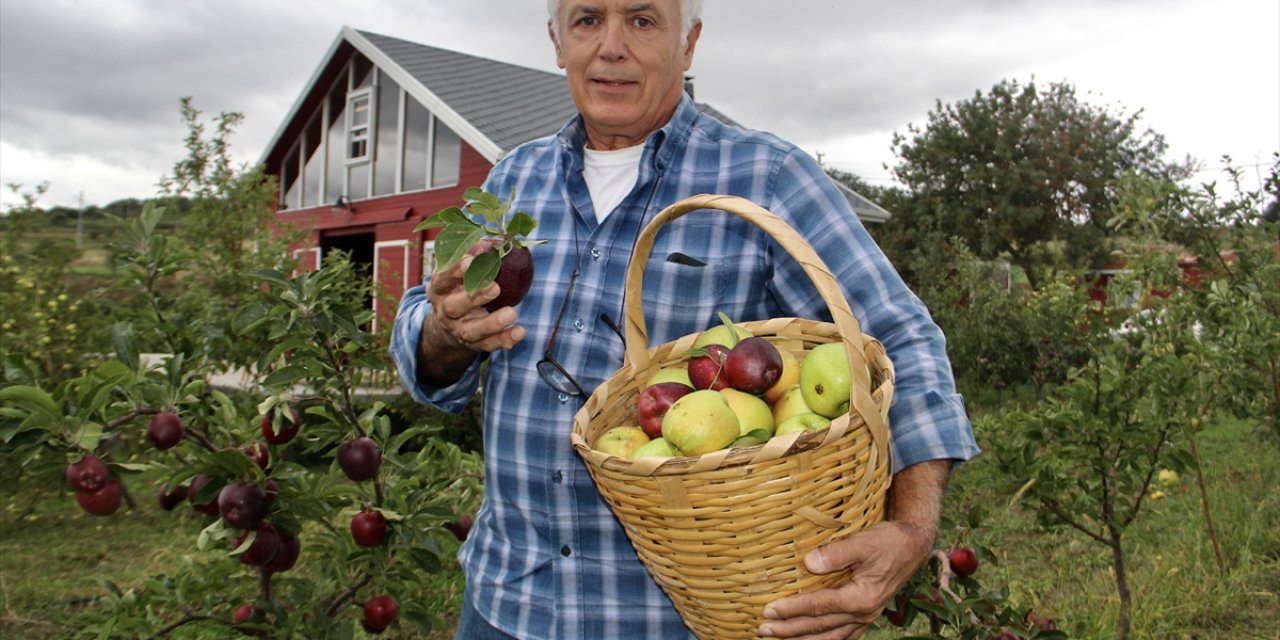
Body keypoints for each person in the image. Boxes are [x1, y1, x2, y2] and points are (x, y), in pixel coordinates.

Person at [389, 0, 981, 637]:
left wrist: (913, 528)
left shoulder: (767, 179)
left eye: (643, 21)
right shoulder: (511, 184)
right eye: (587, 20)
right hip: (505, 604)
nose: (611, 45)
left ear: (689, 43)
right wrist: (444, 333)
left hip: (684, 621)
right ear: (557, 41)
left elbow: (900, 336)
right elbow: (425, 350)